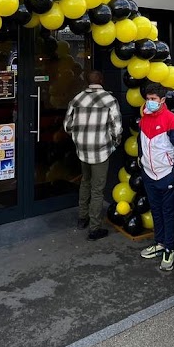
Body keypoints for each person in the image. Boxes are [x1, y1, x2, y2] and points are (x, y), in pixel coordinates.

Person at [63, 70, 123, 240]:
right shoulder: (109, 100)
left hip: (82, 149)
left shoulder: (77, 99)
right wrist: (113, 143)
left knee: (85, 182)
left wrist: (79, 139)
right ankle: (94, 228)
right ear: (102, 80)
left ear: (87, 81)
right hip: (101, 151)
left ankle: (82, 219)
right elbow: (117, 129)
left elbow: (67, 125)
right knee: (97, 189)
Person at [138, 83, 174, 270]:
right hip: (149, 173)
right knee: (156, 210)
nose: (150, 102)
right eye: (148, 99)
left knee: (168, 213)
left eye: (153, 100)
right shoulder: (144, 118)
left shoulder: (172, 120)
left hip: (167, 174)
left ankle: (169, 247)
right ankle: (159, 243)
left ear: (162, 100)